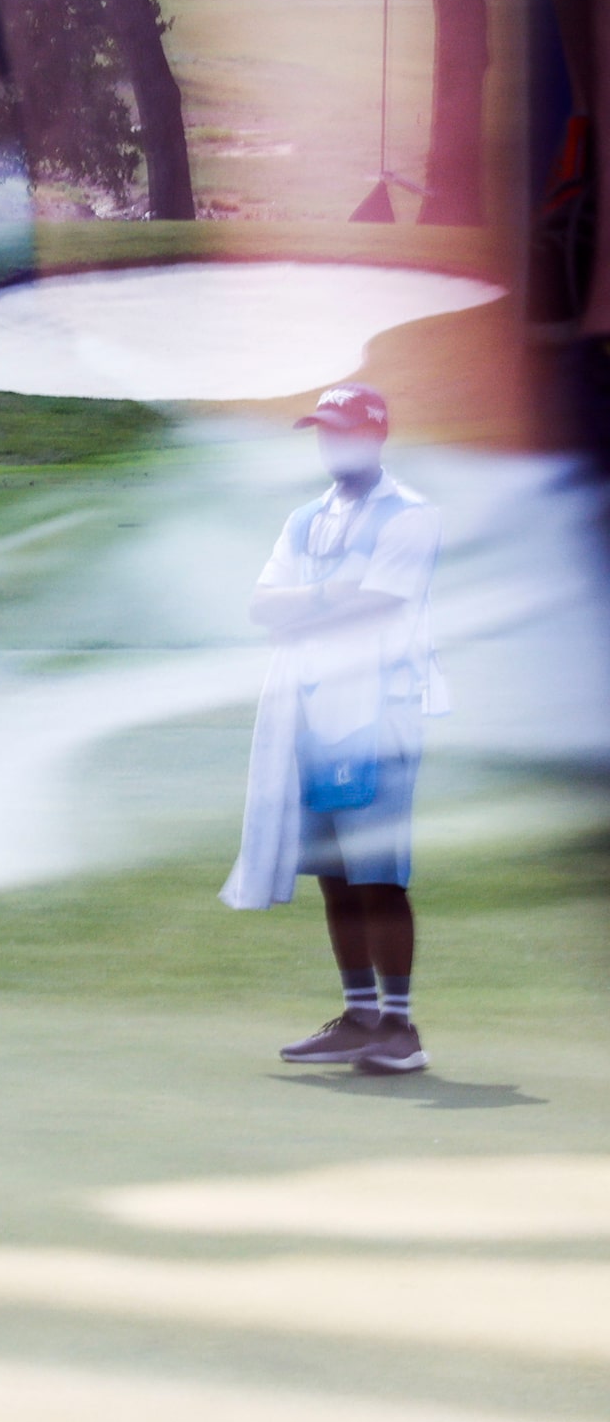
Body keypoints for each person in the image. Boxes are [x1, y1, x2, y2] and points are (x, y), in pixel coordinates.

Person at [223, 385, 447, 1075]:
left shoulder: (410, 516)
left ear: (376, 435)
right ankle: (357, 1016)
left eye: (343, 431)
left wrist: (310, 607)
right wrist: (328, 596)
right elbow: (262, 606)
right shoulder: (304, 520)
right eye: (323, 432)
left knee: (378, 873)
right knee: (333, 875)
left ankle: (399, 1029)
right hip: (310, 708)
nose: (330, 444)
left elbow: (378, 604)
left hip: (379, 710)